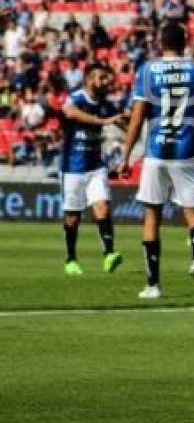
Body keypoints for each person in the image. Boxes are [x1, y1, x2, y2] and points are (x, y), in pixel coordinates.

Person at [119, 21, 194, 301]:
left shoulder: (148, 70)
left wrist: (126, 156)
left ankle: (153, 284)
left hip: (155, 152)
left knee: (152, 215)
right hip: (187, 151)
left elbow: (138, 116)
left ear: (160, 42)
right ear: (185, 42)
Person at [59, 63, 125, 276]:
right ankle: (70, 258)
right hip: (72, 166)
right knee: (72, 216)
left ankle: (109, 254)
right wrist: (103, 121)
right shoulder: (76, 98)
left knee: (103, 207)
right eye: (101, 78)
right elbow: (69, 113)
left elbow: (123, 122)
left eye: (107, 78)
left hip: (96, 165)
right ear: (88, 79)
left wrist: (130, 121)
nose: (106, 82)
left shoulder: (106, 105)